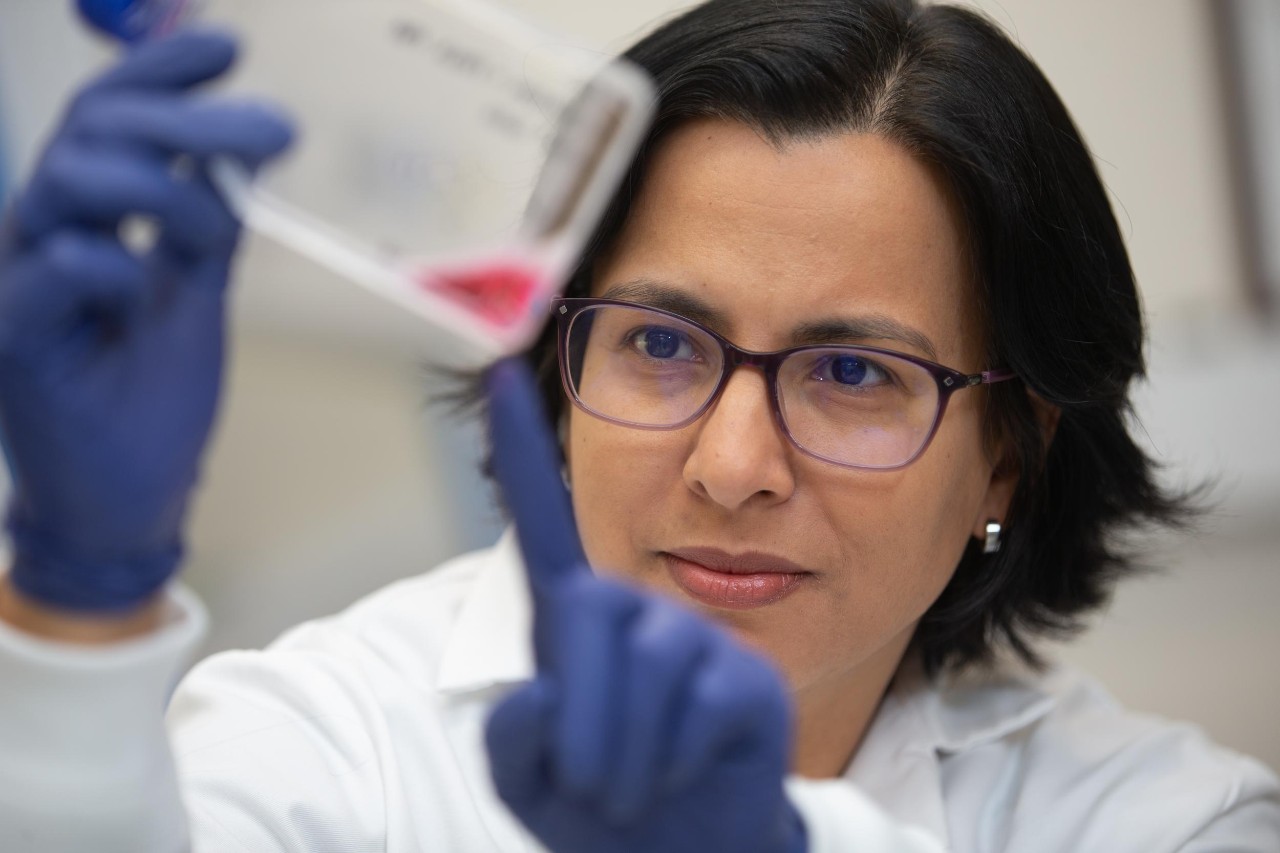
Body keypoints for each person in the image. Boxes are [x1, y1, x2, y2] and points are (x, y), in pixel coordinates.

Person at [0, 0, 1277, 851]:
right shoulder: (328, 745)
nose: (732, 467)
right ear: (555, 371)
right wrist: (78, 602)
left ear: (1008, 453)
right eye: (660, 345)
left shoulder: (1161, 821)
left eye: (851, 372)